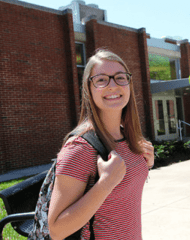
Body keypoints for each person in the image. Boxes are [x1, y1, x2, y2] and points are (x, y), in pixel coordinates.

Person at [48, 49, 154, 239]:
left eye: (120, 77)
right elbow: (56, 230)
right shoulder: (79, 148)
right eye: (101, 80)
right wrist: (105, 183)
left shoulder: (127, 139)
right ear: (89, 89)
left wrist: (144, 163)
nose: (113, 85)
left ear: (129, 84)